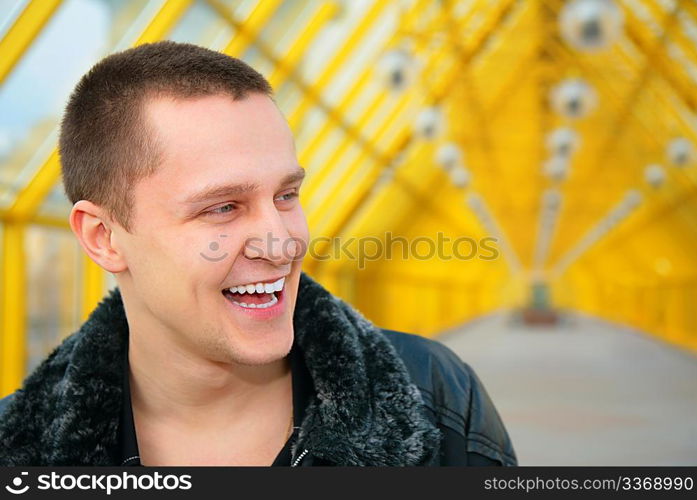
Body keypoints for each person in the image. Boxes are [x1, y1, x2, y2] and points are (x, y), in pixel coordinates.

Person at [0, 41, 516, 466]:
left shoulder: (436, 400)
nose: (283, 242)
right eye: (223, 207)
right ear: (103, 237)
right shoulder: (18, 449)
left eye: (287, 195)